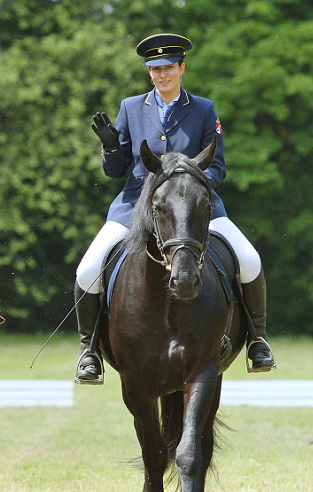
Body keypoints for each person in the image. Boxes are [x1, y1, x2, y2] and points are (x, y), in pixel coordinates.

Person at [74, 33, 275, 384]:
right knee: (87, 269)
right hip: (134, 207)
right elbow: (116, 170)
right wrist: (110, 148)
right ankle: (89, 351)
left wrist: (191, 185)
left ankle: (257, 340)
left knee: (249, 259)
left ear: (182, 68)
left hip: (196, 207)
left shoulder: (203, 109)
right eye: (154, 69)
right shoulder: (131, 108)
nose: (161, 74)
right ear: (148, 72)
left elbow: (218, 166)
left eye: (168, 67)